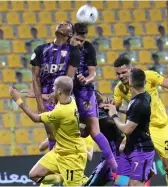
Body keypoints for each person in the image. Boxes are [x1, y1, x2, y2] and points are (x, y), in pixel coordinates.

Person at [112, 55, 168, 186]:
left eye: (124, 72)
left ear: (131, 70)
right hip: (139, 129)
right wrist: (109, 107)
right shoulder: (119, 88)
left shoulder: (148, 76)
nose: (121, 76)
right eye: (118, 74)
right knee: (125, 160)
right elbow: (116, 107)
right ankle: (141, 174)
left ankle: (153, 175)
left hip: (159, 126)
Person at [9, 76, 87, 186]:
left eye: (54, 87)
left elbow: (35, 118)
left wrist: (18, 100)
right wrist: (36, 95)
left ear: (59, 91)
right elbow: (54, 97)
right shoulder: (71, 99)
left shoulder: (61, 111)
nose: (52, 89)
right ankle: (61, 178)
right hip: (59, 151)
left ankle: (80, 180)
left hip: (72, 157)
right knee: (34, 175)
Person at [72, 22, 117, 174]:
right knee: (119, 179)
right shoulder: (106, 115)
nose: (80, 43)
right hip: (111, 157)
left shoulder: (106, 118)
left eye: (82, 41)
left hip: (119, 156)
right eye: (77, 39)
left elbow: (92, 73)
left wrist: (87, 80)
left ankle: (121, 173)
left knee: (119, 178)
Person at [30, 21, 81, 151]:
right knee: (51, 136)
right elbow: (35, 78)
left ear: (70, 33)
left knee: (67, 135)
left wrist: (56, 94)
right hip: (46, 99)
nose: (60, 24)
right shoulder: (40, 50)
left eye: (65, 24)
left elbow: (68, 78)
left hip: (64, 98)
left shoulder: (74, 52)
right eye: (59, 23)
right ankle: (56, 165)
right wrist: (39, 101)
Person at [102, 68, 155, 186]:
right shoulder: (142, 96)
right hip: (129, 149)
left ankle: (146, 170)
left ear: (130, 83)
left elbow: (127, 129)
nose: (123, 77)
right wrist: (115, 108)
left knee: (134, 185)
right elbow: (133, 114)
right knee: (120, 184)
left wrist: (114, 115)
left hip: (141, 151)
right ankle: (147, 171)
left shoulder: (140, 104)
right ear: (144, 82)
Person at [84, 90, 124, 186]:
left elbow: (85, 131)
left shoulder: (99, 114)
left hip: (115, 153)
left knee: (120, 183)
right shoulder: (104, 111)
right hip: (109, 154)